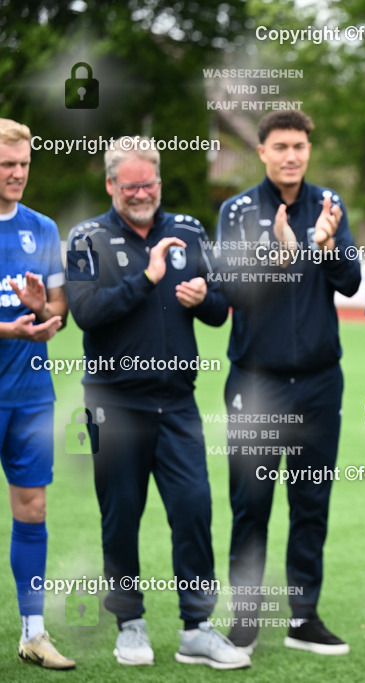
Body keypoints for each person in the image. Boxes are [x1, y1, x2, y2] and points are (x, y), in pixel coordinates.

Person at [65, 137, 248, 669]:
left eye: (149, 184)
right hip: (113, 404)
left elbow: (218, 311)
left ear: (159, 183)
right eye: (130, 186)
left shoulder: (188, 231)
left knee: (193, 509)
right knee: (121, 516)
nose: (141, 193)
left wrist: (204, 299)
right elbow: (86, 312)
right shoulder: (86, 237)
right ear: (111, 185)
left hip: (178, 404)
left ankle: (197, 627)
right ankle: (131, 624)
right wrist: (146, 279)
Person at [214, 110, 361, 656]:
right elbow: (229, 287)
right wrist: (277, 253)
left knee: (311, 502)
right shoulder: (236, 210)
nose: (292, 155)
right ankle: (245, 622)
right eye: (281, 146)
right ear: (262, 152)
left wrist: (326, 245)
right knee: (251, 505)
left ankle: (304, 619)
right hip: (257, 384)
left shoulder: (329, 207)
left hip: (320, 384)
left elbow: (349, 283)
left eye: (300, 145)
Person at [0, 118, 74, 670]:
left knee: (33, 506)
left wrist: (43, 314)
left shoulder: (42, 228)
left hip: (30, 392)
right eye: (7, 165)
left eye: (23, 164)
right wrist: (10, 329)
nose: (18, 174)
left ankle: (33, 633)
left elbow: (58, 311)